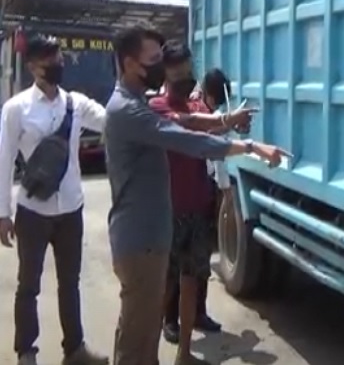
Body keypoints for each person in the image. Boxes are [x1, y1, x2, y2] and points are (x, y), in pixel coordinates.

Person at [103, 23, 288, 365]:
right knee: (137, 340)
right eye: (155, 59)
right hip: (139, 240)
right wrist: (248, 146)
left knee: (141, 338)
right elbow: (185, 136)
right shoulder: (128, 110)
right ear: (130, 63)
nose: (163, 67)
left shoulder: (133, 103)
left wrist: (227, 122)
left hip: (149, 236)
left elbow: (191, 123)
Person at [0, 34, 109, 365]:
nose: (59, 64)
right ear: (33, 66)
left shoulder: (75, 104)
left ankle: (74, 350)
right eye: (51, 60)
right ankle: (26, 353)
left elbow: (110, 119)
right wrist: (2, 213)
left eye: (59, 57)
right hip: (33, 211)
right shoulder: (16, 108)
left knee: (69, 284)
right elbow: (4, 160)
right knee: (28, 286)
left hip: (70, 209)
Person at [151, 43, 227, 350]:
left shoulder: (198, 108)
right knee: (167, 282)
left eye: (188, 71)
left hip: (198, 207)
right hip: (169, 210)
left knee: (195, 275)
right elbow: (193, 129)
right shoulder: (157, 107)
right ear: (166, 74)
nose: (186, 78)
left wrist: (229, 125)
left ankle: (188, 340)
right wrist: (222, 124)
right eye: (178, 73)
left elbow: (210, 134)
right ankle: (155, 338)